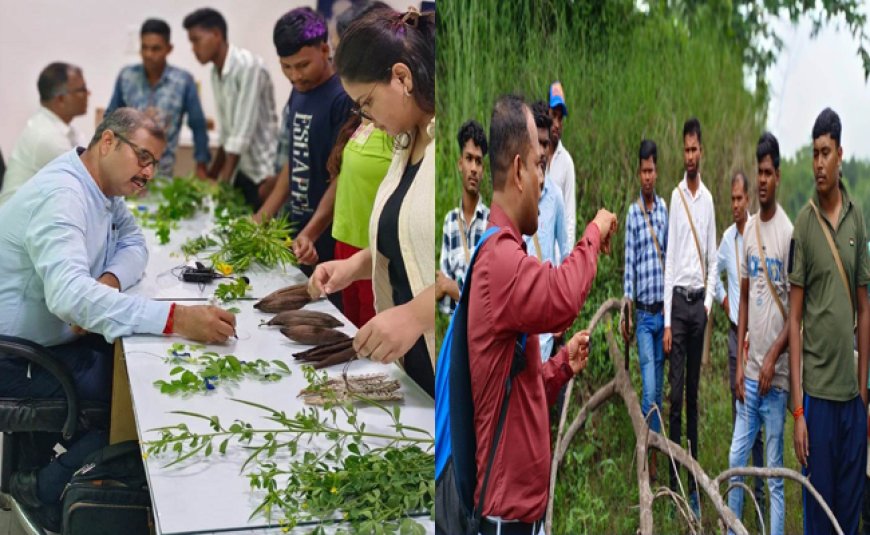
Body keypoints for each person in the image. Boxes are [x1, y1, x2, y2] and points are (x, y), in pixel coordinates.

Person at [0, 108, 236, 531]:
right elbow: (70, 297)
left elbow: (133, 243)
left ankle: (55, 473)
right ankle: (40, 486)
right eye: (142, 158)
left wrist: (106, 283)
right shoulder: (65, 195)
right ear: (107, 141)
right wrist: (176, 318)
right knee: (138, 398)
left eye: (154, 164)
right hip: (16, 357)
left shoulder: (102, 188)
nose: (148, 173)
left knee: (142, 371)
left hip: (54, 339)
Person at [464, 94, 616, 534]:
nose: (542, 182)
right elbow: (562, 296)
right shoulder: (501, 261)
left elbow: (519, 389)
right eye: (537, 166)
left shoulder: (505, 253)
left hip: (521, 516)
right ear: (517, 171)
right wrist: (593, 232)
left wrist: (560, 368)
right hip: (504, 518)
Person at [310, 7, 437, 396]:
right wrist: (357, 265)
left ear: (401, 77)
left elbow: (478, 270)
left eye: (366, 102)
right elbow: (410, 242)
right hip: (413, 365)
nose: (365, 116)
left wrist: (416, 315)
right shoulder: (405, 142)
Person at [789, 107, 870, 534]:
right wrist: (798, 410)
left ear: (840, 153)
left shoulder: (857, 219)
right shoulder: (803, 225)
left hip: (851, 405)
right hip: (817, 401)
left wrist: (862, 393)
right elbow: (795, 319)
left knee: (849, 518)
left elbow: (865, 307)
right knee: (819, 520)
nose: (818, 163)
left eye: (825, 153)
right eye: (813, 154)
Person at [256, 7, 354, 278]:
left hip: (327, 234)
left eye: (302, 65)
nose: (295, 75)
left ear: (325, 49)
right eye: (286, 67)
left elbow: (343, 176)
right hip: (296, 227)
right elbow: (296, 159)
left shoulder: (342, 97)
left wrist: (311, 232)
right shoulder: (299, 91)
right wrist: (262, 216)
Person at [726, 132, 792, 535]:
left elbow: (794, 316)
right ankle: (733, 529)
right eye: (759, 172)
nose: (763, 179)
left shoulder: (788, 233)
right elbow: (746, 297)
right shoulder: (748, 231)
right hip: (750, 375)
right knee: (736, 462)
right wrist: (743, 362)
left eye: (768, 173)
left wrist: (771, 359)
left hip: (778, 379)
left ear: (778, 176)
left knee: (773, 476)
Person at [326, 2, 395, 328]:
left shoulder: (398, 122)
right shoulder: (363, 116)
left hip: (376, 250)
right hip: (347, 241)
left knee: (372, 337)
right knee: (350, 330)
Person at [663, 117, 717, 517]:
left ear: (702, 150)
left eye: (695, 149)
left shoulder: (709, 201)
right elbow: (668, 264)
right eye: (686, 149)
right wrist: (667, 320)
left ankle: (695, 480)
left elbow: (713, 259)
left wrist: (709, 304)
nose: (691, 155)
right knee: (675, 397)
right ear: (682, 152)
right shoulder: (675, 196)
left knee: (694, 397)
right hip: (677, 309)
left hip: (699, 307)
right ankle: (673, 480)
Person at [183, 8, 278, 209]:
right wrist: (211, 176)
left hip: (263, 174)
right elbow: (228, 135)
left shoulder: (248, 65)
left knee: (255, 236)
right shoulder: (215, 73)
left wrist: (222, 188)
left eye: (196, 40)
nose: (193, 48)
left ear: (217, 35)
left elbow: (241, 135)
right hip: (240, 170)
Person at [715, 171, 765, 509]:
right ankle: (739, 498)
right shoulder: (728, 238)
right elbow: (713, 272)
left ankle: (760, 495)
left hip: (758, 339)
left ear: (748, 199)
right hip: (735, 336)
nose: (735, 204)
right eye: (731, 199)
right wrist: (723, 300)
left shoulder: (760, 234)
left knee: (758, 417)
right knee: (739, 416)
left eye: (739, 198)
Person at [107, 18, 210, 179]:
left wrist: (201, 165)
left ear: (169, 49)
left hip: (163, 174)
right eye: (144, 48)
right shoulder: (126, 77)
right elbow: (111, 119)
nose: (149, 54)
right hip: (125, 173)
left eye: (156, 49)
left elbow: (198, 125)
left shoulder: (183, 81)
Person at [622, 139, 668, 481]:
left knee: (659, 392)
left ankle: (653, 454)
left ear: (657, 171)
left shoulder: (665, 211)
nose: (647, 176)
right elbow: (629, 269)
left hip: (663, 316)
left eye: (652, 170)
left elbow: (673, 261)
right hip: (643, 317)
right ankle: (649, 461)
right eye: (643, 171)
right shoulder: (633, 215)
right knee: (650, 390)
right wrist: (626, 308)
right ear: (638, 173)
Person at [0, 62, 89, 206]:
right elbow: (88, 186)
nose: (88, 94)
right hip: (19, 225)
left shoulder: (69, 131)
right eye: (81, 90)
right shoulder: (46, 136)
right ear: (61, 99)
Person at [524, 102, 568, 361]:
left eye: (545, 143)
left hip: (546, 328)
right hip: (522, 325)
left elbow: (565, 253)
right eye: (536, 143)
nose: (541, 151)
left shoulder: (555, 197)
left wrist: (562, 312)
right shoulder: (517, 193)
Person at [437, 120, 489, 316]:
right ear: (460, 164)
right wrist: (451, 288)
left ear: (483, 169)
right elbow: (441, 300)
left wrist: (452, 287)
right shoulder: (450, 222)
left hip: (481, 337)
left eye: (479, 161)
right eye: (469, 159)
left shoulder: (491, 223)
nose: (474, 168)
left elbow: (487, 297)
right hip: (456, 333)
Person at [547, 81, 576, 248]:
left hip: (558, 261)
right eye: (553, 116)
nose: (557, 124)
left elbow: (569, 219)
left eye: (560, 118)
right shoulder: (535, 156)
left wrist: (567, 260)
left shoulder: (566, 163)